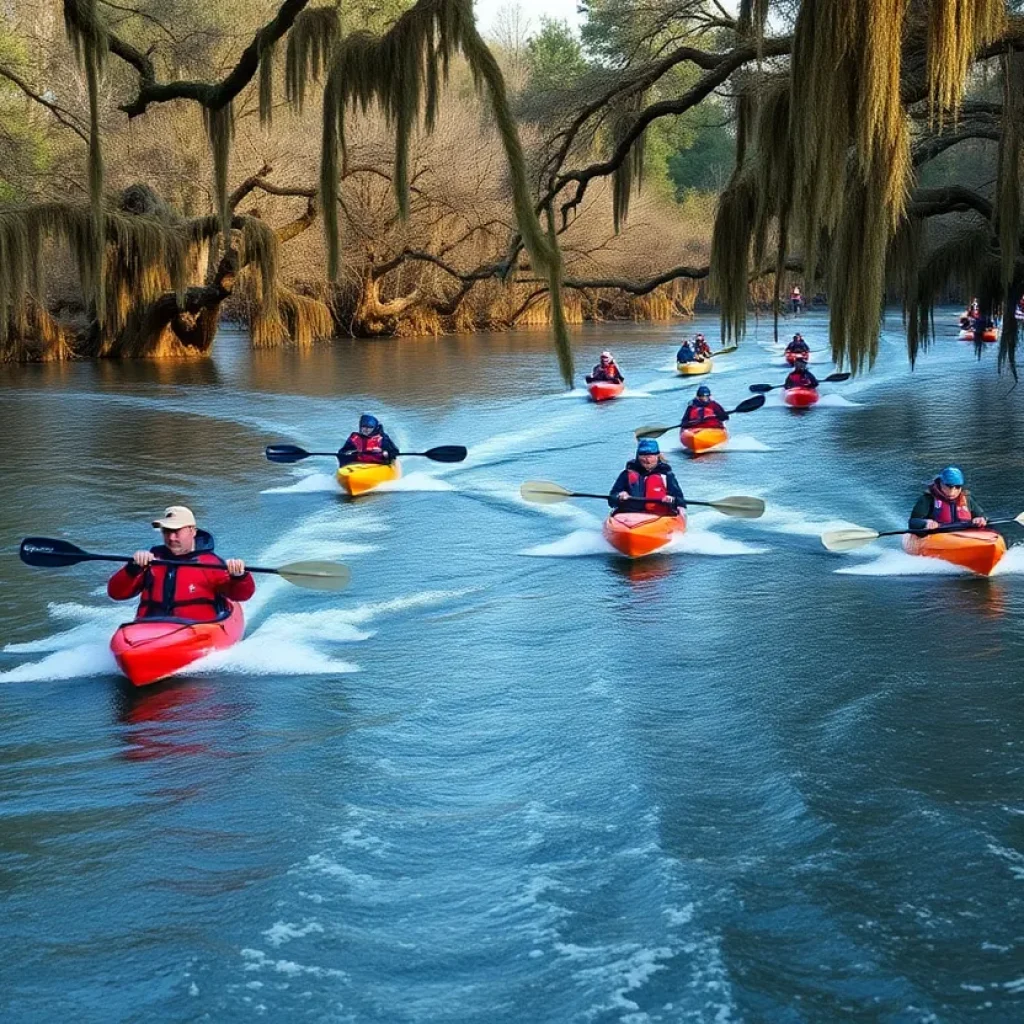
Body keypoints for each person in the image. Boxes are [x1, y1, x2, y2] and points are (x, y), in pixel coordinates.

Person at [107, 505, 255, 621]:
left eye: (177, 531)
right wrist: (132, 568)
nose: (171, 537)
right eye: (166, 531)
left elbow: (242, 595)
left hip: (198, 629)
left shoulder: (212, 564)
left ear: (193, 531)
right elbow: (116, 593)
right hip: (150, 628)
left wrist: (239, 576)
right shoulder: (150, 561)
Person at [608, 439, 686, 516]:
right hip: (630, 515)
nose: (648, 460)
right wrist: (619, 496)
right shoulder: (626, 474)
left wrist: (672, 499)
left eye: (651, 456)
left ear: (658, 456)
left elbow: (681, 502)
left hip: (660, 516)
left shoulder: (666, 475)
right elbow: (611, 500)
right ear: (638, 456)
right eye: (644, 456)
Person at [908, 466, 987, 531]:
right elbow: (912, 522)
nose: (952, 492)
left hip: (965, 534)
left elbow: (982, 516)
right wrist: (926, 523)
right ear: (941, 483)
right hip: (937, 535)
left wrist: (980, 519)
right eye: (949, 486)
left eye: (957, 487)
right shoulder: (928, 499)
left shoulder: (967, 498)